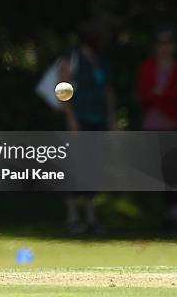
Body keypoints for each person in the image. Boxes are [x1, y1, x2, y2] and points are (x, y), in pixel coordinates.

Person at [58, 17, 117, 235]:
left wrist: (111, 119)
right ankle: (73, 216)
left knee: (94, 168)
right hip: (78, 122)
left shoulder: (100, 60)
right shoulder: (71, 59)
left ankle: (91, 217)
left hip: (98, 120)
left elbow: (108, 90)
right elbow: (62, 94)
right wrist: (72, 120)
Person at [136, 25, 177, 231]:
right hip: (155, 124)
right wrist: (168, 94)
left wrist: (161, 93)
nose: (165, 47)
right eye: (162, 43)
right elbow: (145, 96)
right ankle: (171, 212)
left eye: (169, 42)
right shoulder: (148, 68)